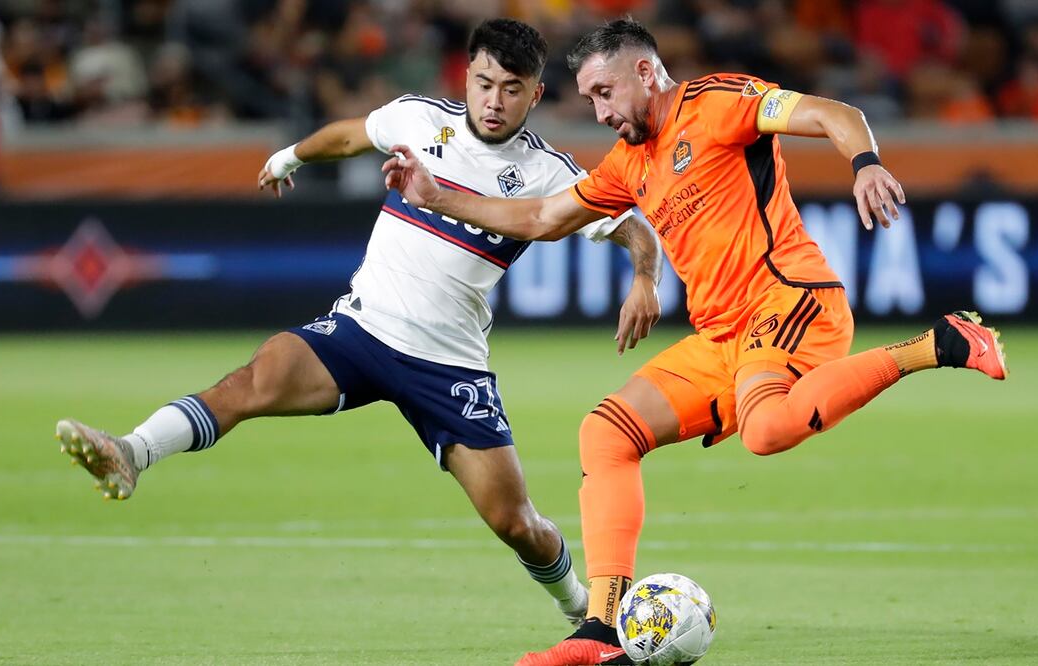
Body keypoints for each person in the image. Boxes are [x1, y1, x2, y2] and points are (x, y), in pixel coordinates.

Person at [381, 18, 1008, 666]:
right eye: (590, 99)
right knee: (606, 433)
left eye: (604, 93)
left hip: (788, 300)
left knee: (766, 430)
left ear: (644, 72)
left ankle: (938, 343)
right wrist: (438, 197)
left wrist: (865, 163)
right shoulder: (629, 162)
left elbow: (833, 113)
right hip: (722, 336)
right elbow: (543, 216)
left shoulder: (718, 103)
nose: (599, 113)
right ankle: (601, 630)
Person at [53, 18, 663, 631]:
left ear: (535, 94)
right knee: (255, 379)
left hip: (449, 366)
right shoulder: (419, 119)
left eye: (511, 88)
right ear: (466, 78)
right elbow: (351, 135)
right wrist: (289, 155)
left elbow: (632, 227)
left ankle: (578, 605)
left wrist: (644, 277)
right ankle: (131, 452)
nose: (494, 101)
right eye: (484, 83)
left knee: (515, 522)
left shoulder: (548, 173)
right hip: (361, 332)